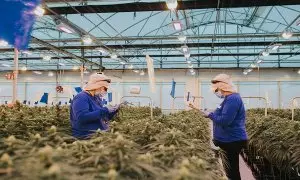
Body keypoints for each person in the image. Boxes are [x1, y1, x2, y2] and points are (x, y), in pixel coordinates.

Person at [189, 74, 248, 180]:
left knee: (232, 171)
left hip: (232, 140)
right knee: (230, 169)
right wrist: (201, 110)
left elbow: (225, 120)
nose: (216, 92)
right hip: (229, 140)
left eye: (216, 90)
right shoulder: (228, 99)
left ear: (222, 87)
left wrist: (210, 115)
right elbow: (220, 115)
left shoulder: (233, 99)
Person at [70, 73, 120, 139]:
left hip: (98, 135)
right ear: (97, 86)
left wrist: (114, 110)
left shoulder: (96, 98)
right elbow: (82, 117)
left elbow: (102, 117)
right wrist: (105, 110)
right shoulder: (81, 97)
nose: (105, 91)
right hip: (85, 137)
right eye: (104, 88)